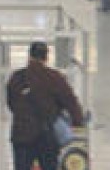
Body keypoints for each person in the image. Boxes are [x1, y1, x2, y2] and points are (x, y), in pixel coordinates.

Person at [6, 41, 85, 170]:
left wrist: (24, 115)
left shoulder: (17, 78)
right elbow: (70, 102)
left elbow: (11, 103)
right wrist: (78, 121)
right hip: (46, 134)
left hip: (22, 134)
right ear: (46, 58)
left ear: (29, 56)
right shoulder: (54, 77)